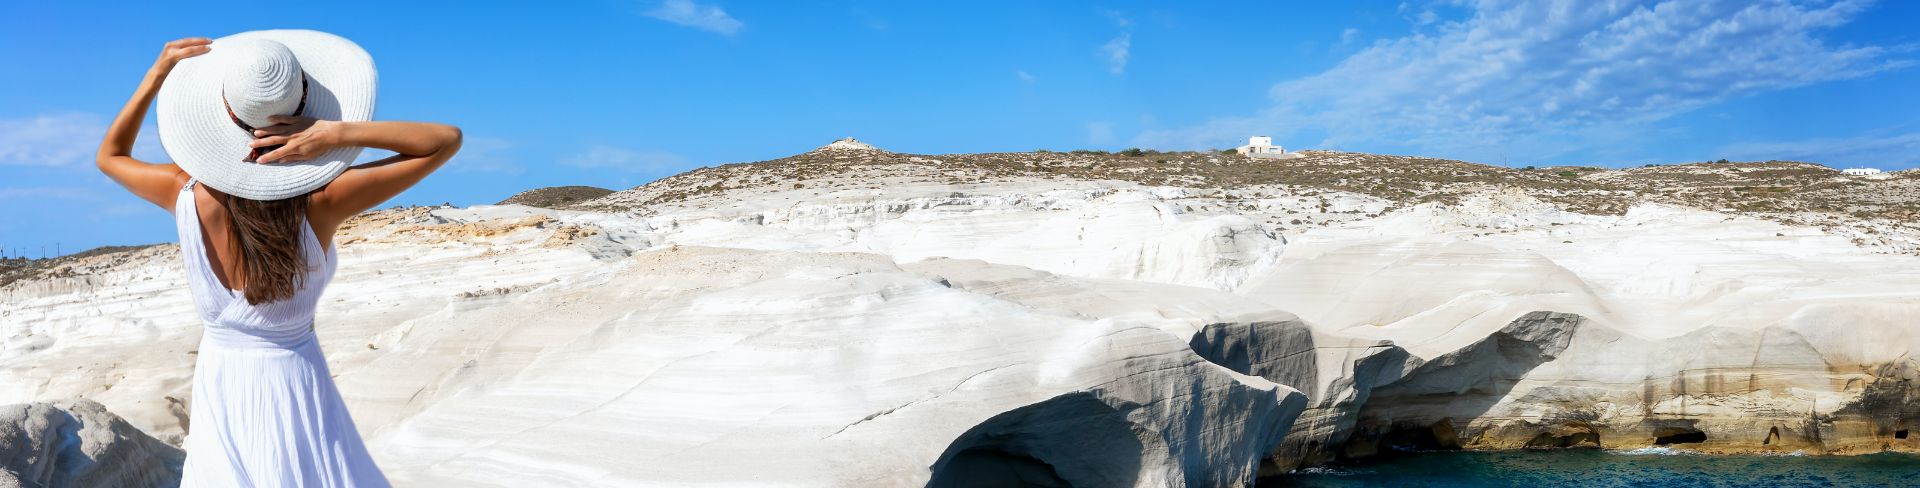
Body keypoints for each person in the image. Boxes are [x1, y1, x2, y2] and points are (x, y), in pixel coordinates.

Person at [95, 30, 461, 487]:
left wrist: (156, 75)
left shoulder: (181, 190)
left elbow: (110, 156)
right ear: (303, 111)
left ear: (225, 110)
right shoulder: (322, 201)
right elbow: (445, 140)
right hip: (295, 382)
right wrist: (336, 134)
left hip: (222, 382)